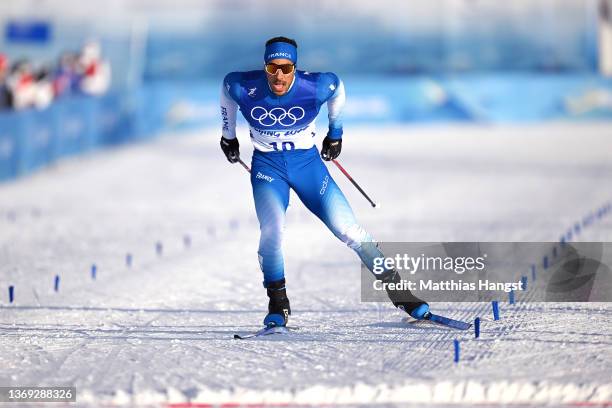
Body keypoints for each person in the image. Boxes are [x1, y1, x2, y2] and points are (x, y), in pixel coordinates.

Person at [219, 36, 428, 327]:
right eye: (272, 68)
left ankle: (402, 294)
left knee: (349, 230)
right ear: (265, 67)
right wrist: (228, 136)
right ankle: (278, 303)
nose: (279, 75)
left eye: (286, 67)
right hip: (268, 168)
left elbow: (337, 89)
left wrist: (336, 132)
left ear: (294, 67)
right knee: (272, 232)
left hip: (308, 166)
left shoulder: (315, 86)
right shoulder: (242, 85)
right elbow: (227, 91)